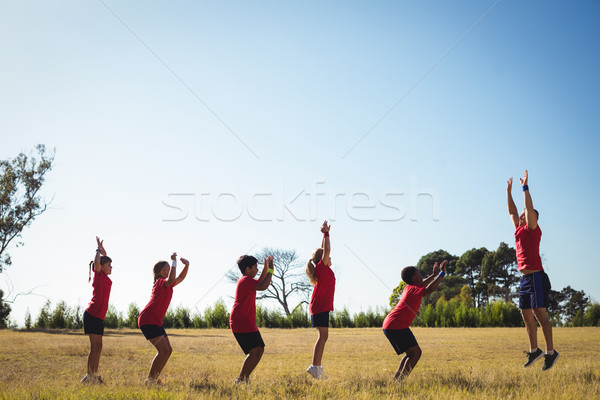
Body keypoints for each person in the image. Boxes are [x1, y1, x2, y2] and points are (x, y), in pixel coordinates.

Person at [507, 170, 559, 371]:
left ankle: (550, 352)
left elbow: (528, 209)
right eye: (521, 216)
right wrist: (508, 191)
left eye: (524, 215)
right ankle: (534, 350)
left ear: (531, 219)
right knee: (525, 313)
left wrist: (525, 188)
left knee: (540, 314)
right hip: (525, 279)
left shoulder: (533, 229)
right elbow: (512, 212)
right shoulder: (518, 230)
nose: (520, 216)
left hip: (537, 276)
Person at [382, 260, 448, 381]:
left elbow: (423, 284)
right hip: (396, 325)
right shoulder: (413, 289)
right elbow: (430, 289)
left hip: (392, 325)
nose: (420, 274)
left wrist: (434, 275)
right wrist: (442, 273)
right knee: (416, 353)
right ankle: (399, 381)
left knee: (411, 353)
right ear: (413, 277)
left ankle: (396, 380)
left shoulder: (410, 288)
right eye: (418, 272)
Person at [138, 252, 190, 384]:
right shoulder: (161, 282)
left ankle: (153, 379)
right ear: (162, 271)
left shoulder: (167, 284)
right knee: (163, 350)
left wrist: (187, 266)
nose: (170, 270)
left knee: (168, 350)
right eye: (168, 268)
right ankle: (150, 380)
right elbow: (172, 279)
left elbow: (179, 278)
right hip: (148, 320)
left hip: (155, 321)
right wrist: (174, 262)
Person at [230, 254, 274, 384]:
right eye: (256, 267)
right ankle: (241, 379)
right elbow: (263, 285)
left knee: (259, 349)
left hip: (247, 322)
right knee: (255, 350)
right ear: (248, 269)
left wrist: (266, 268)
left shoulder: (247, 281)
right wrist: (271, 270)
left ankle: (244, 378)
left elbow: (259, 282)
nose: (258, 269)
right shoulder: (245, 280)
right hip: (241, 322)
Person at [305, 220, 336, 379]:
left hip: (321, 306)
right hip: (320, 306)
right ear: (322, 258)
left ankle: (316, 366)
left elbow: (324, 251)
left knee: (323, 336)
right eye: (328, 256)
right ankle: (315, 367)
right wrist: (326, 234)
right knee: (323, 336)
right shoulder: (322, 268)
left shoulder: (323, 268)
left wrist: (323, 234)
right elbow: (326, 251)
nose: (330, 258)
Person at [81, 237, 113, 384]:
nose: (111, 267)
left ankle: (93, 375)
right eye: (109, 265)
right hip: (92, 315)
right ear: (101, 266)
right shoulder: (99, 276)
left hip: (98, 317)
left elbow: (102, 260)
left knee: (99, 346)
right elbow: (99, 262)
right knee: (95, 347)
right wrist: (98, 250)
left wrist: (103, 250)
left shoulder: (105, 277)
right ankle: (89, 377)